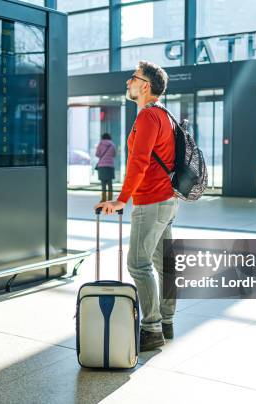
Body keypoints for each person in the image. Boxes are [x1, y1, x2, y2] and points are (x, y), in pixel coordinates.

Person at [95, 60, 177, 351]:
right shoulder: (165, 115)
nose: (128, 82)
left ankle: (151, 329)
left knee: (138, 265)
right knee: (162, 264)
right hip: (168, 199)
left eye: (133, 78)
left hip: (151, 200)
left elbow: (139, 161)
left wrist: (122, 199)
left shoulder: (147, 117)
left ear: (145, 85)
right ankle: (166, 322)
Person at [95, 133, 116, 202]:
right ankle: (110, 198)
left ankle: (103, 199)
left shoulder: (100, 144)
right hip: (110, 166)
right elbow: (114, 154)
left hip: (102, 166)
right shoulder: (112, 144)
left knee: (103, 183)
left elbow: (97, 154)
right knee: (110, 184)